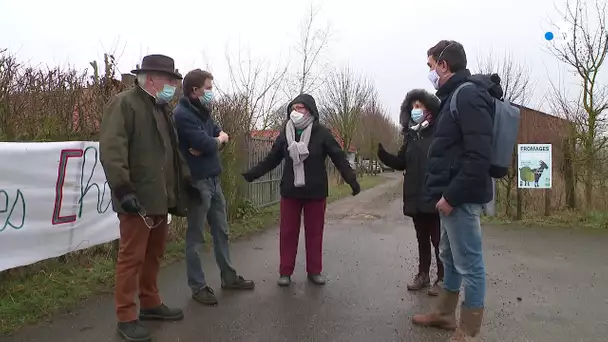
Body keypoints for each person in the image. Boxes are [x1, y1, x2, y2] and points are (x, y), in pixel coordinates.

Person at [100, 54, 201, 342]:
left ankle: (150, 302)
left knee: (154, 253)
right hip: (137, 196)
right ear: (152, 79)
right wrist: (123, 189)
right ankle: (126, 316)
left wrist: (185, 181)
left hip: (160, 196)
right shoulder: (123, 104)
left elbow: (173, 152)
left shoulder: (162, 109)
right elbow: (112, 150)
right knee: (131, 258)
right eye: (170, 81)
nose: (174, 86)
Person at [411, 40, 501, 341]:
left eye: (431, 66)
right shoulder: (453, 96)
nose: (430, 72)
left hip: (460, 197)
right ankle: (446, 314)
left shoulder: (467, 95)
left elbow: (478, 155)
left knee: (470, 262)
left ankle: (468, 330)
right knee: (449, 255)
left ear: (443, 65)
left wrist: (451, 196)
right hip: (451, 194)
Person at [242, 93, 361, 286]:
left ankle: (314, 271)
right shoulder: (285, 133)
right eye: (293, 109)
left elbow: (338, 157)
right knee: (288, 233)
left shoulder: (322, 132)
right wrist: (252, 174)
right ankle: (285, 272)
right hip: (290, 192)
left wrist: (352, 181)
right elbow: (272, 159)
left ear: (310, 110)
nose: (296, 112)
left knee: (315, 233)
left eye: (301, 108)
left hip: (315, 192)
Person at [174, 69, 255, 306]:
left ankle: (228, 277)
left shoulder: (204, 111)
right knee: (196, 237)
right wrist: (215, 141)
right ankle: (198, 286)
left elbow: (217, 135)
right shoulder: (182, 115)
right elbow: (205, 141)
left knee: (222, 231)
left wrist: (215, 141)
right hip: (197, 183)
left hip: (214, 180)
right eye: (208, 88)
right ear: (195, 90)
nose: (211, 92)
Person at [377, 89, 443, 296]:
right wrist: (384, 156)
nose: (415, 110)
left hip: (434, 194)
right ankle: (423, 275)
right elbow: (401, 162)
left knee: (438, 240)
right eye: (412, 107)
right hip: (414, 196)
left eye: (419, 106)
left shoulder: (439, 132)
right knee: (421, 238)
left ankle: (442, 278)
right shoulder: (411, 136)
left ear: (428, 108)